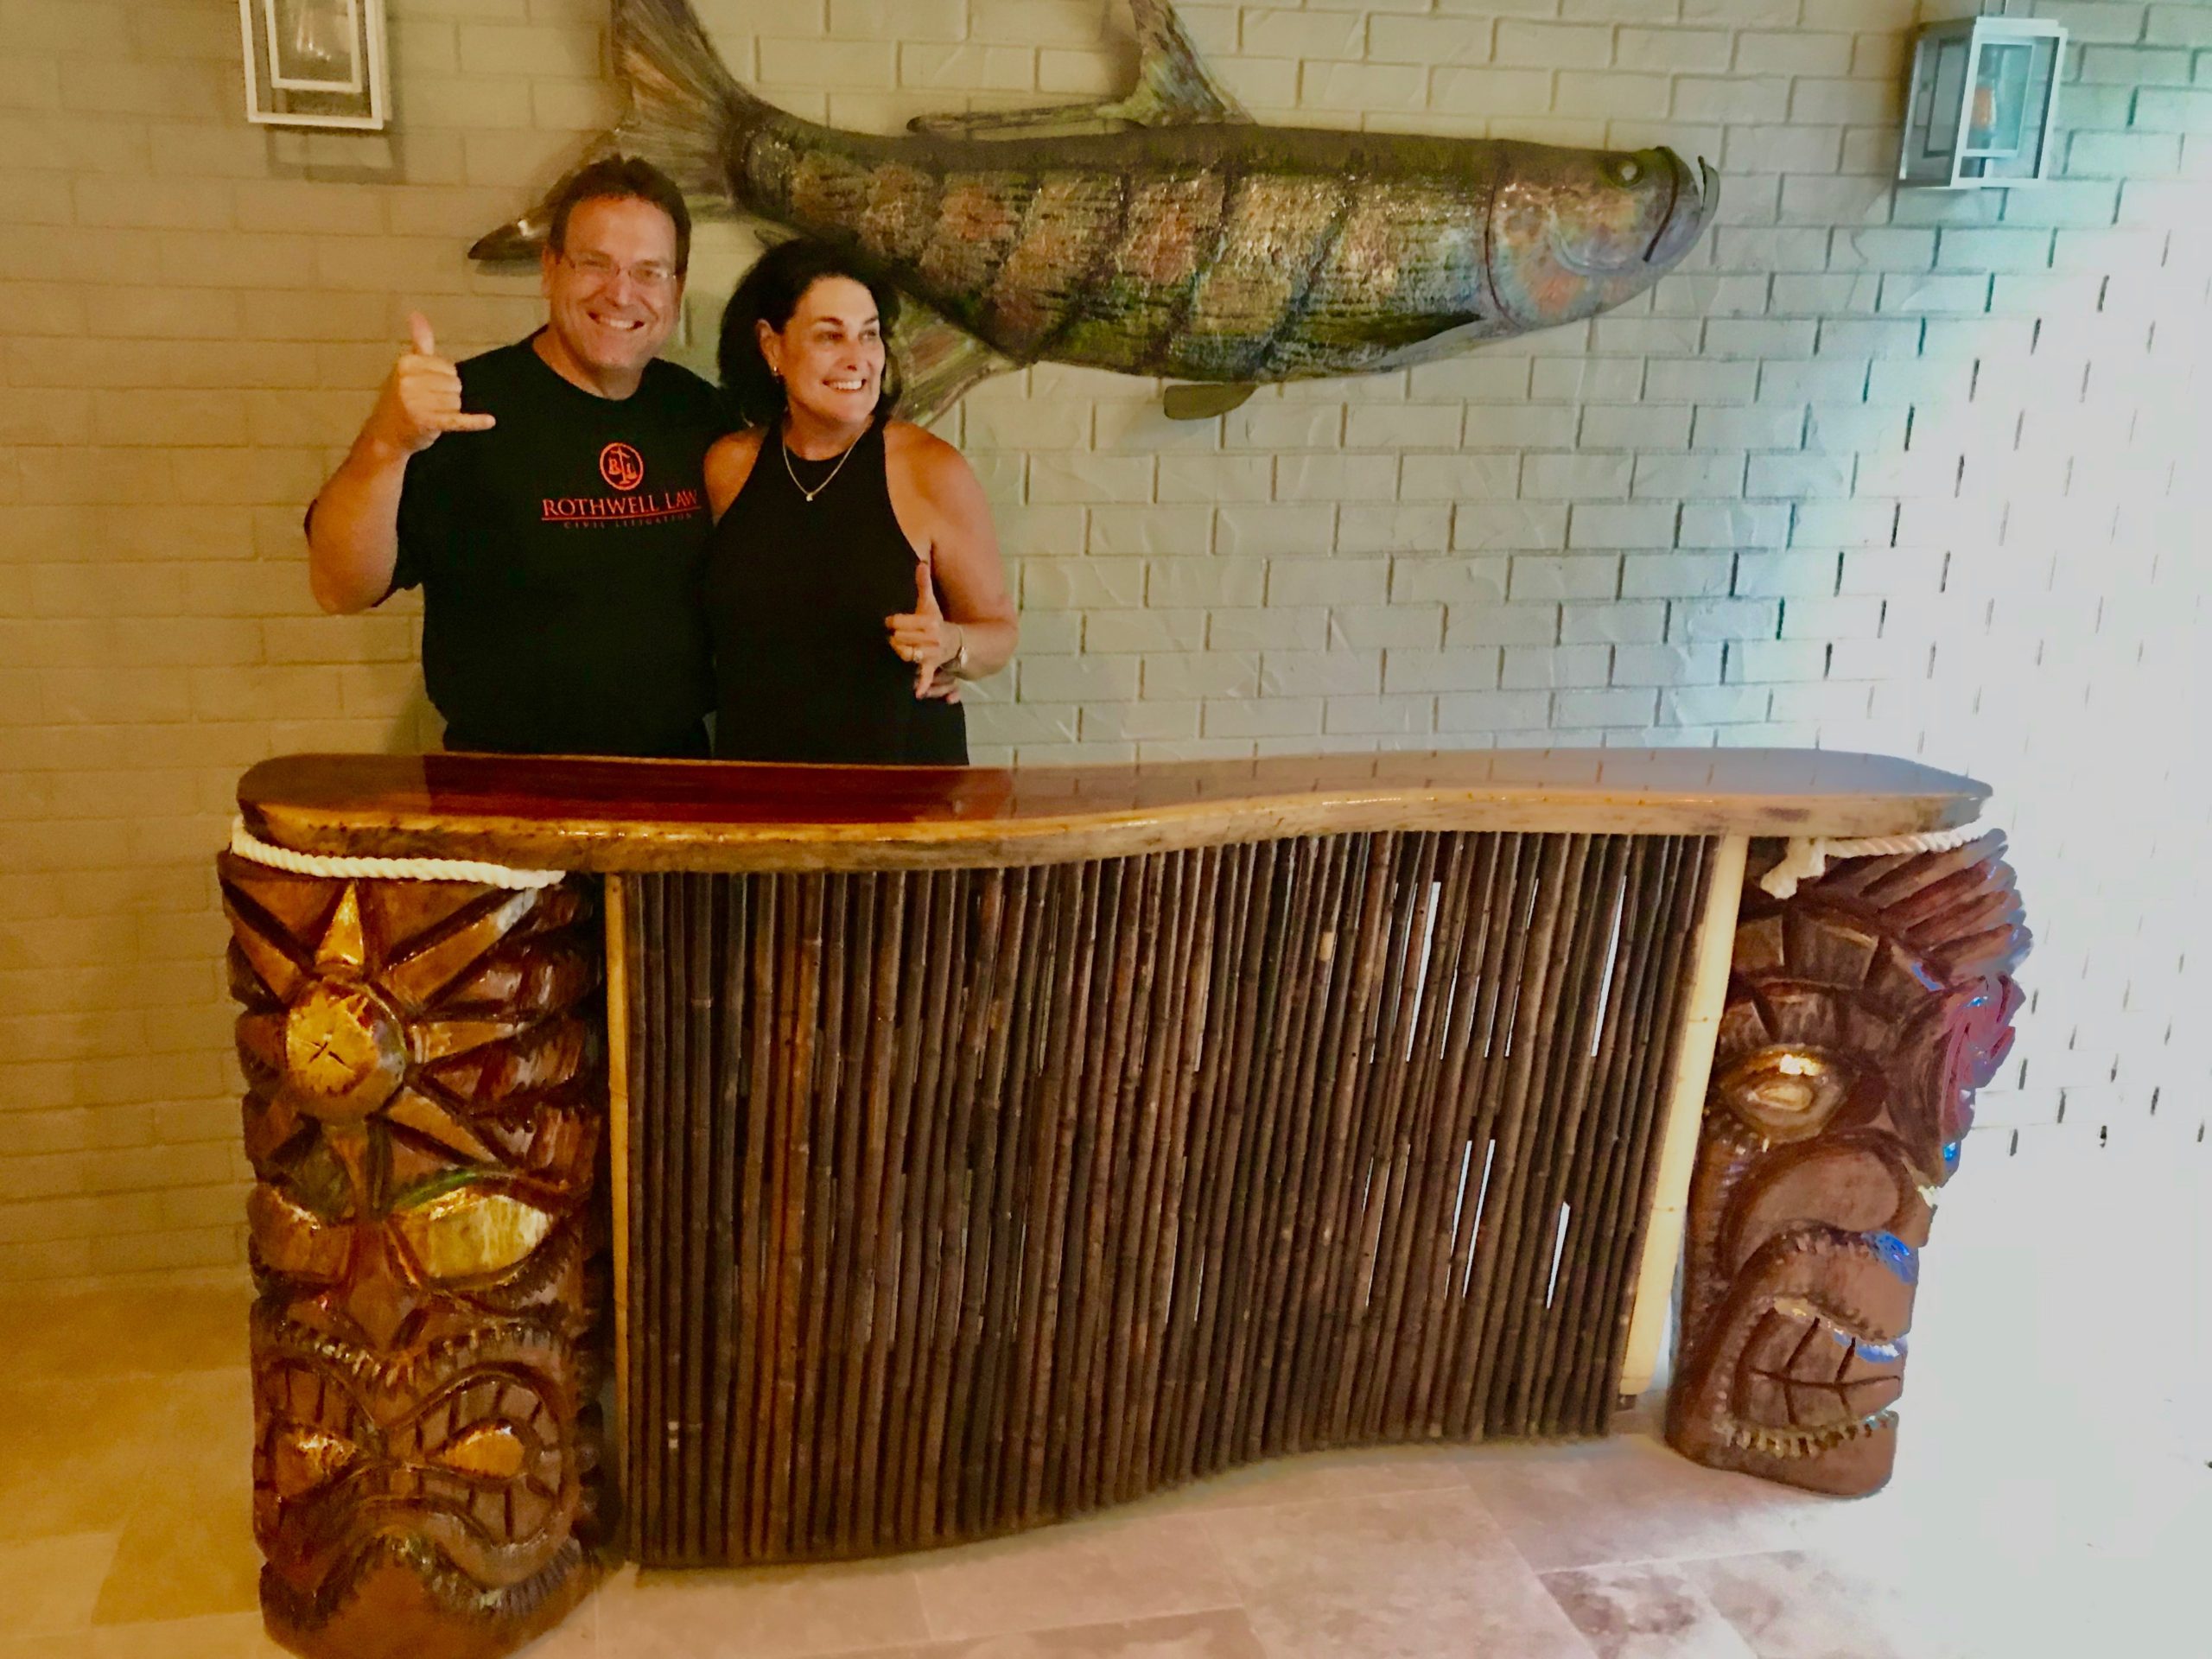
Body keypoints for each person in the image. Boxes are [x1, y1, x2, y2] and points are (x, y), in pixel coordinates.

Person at [304, 156, 725, 759]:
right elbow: (339, 588)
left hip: (674, 775)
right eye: (594, 263)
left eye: (649, 272)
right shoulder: (461, 409)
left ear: (676, 290)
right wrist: (386, 443)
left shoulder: (701, 414)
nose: (620, 292)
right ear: (550, 269)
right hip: (502, 780)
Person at [704, 239, 1016, 765]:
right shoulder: (727, 466)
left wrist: (950, 645)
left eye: (869, 335)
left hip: (901, 784)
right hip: (756, 781)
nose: (858, 358)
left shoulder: (929, 468)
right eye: (831, 336)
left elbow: (1000, 634)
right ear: (772, 347)